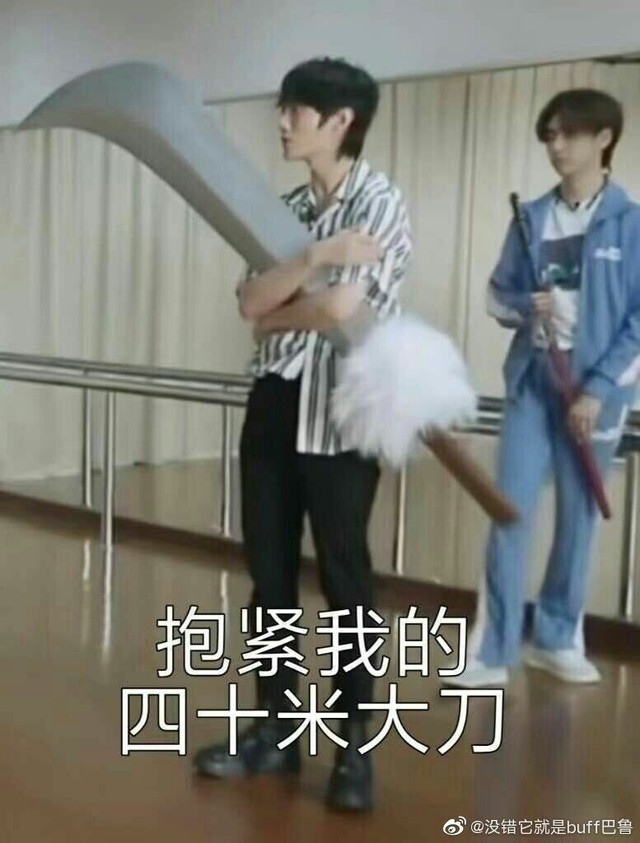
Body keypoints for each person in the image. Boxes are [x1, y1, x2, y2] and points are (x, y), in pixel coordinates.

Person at [193, 57, 412, 812]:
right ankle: (277, 730)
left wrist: (279, 307)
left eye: (296, 110)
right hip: (275, 403)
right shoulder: (283, 208)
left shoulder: (380, 202)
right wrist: (314, 255)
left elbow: (336, 311)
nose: (282, 122)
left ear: (340, 121)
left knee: (346, 582)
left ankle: (355, 747)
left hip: (343, 409)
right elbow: (249, 301)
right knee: (271, 577)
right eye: (283, 109)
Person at [447, 88, 640, 689]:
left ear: (603, 138)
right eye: (549, 135)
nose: (556, 146)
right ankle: (493, 651)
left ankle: (557, 639)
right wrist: (524, 307)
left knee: (580, 519)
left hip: (596, 392)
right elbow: (496, 296)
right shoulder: (530, 217)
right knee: (509, 509)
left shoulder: (633, 223)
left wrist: (598, 390)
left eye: (569, 134)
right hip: (534, 383)